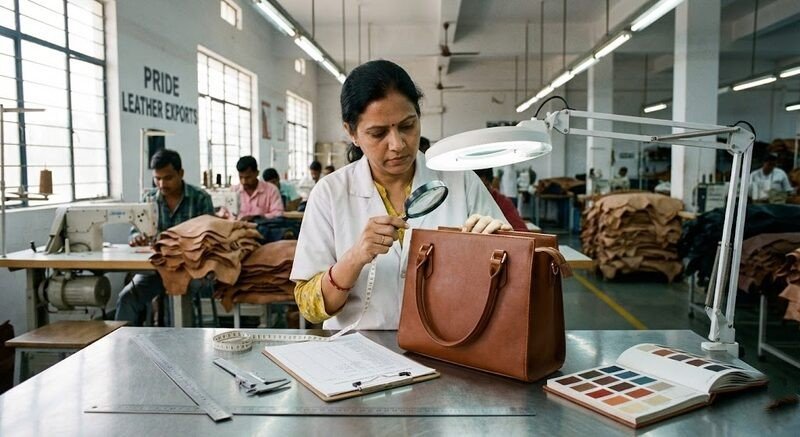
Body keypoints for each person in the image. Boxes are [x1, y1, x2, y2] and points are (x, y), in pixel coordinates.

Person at [291, 59, 510, 330]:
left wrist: (498, 244)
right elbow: (309, 307)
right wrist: (356, 256)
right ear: (352, 133)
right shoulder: (330, 193)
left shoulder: (460, 180)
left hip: (448, 344)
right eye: (378, 133)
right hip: (357, 353)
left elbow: (513, 273)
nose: (397, 144)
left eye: (407, 126)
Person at [116, 149, 214, 326]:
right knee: (127, 298)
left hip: (190, 269)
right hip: (155, 270)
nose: (161, 184)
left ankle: (180, 348)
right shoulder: (148, 199)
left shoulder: (200, 199)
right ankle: (124, 348)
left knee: (176, 300)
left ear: (181, 173)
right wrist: (138, 237)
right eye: (157, 178)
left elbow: (210, 240)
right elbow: (135, 231)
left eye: (167, 178)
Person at [225, 156, 283, 221]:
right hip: (238, 228)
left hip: (262, 229)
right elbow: (225, 213)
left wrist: (256, 218)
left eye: (248, 177)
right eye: (241, 177)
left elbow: (278, 213)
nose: (243, 181)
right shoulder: (233, 191)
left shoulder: (271, 190)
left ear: (257, 173)